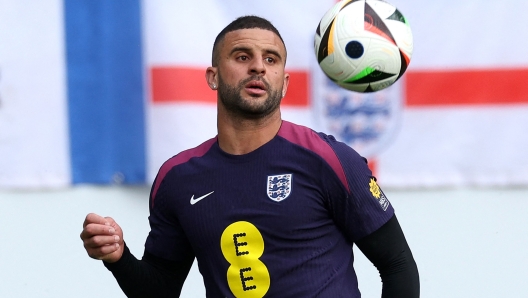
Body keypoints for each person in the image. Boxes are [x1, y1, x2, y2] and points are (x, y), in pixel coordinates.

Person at [80, 15, 419, 297]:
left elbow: (398, 265)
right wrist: (118, 256)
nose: (258, 67)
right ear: (213, 76)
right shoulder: (178, 179)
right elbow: (160, 288)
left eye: (270, 59)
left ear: (284, 83)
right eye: (242, 56)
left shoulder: (331, 160)